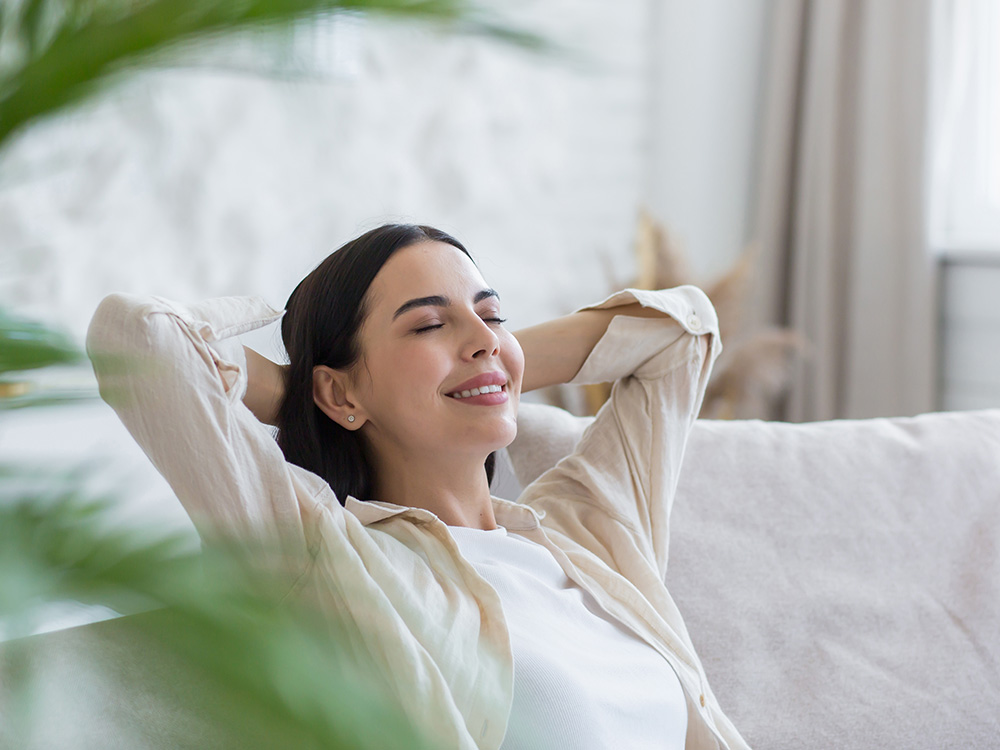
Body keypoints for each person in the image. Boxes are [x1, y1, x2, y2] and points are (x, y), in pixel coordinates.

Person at [87, 223, 750, 750]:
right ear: (338, 392)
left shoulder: (591, 532)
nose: (483, 337)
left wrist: (495, 365)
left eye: (493, 315)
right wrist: (315, 394)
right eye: (429, 324)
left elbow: (682, 334)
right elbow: (138, 338)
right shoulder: (323, 558)